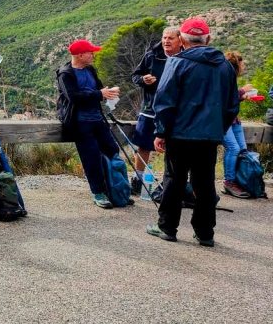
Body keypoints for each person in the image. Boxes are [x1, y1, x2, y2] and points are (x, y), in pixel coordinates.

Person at [147, 17, 239, 247]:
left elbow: (164, 101)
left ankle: (167, 227)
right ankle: (205, 233)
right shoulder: (225, 66)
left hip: (179, 135)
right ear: (208, 39)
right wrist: (219, 128)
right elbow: (231, 105)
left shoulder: (177, 63)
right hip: (208, 136)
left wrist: (161, 132)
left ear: (183, 40)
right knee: (205, 183)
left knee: (174, 181)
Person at [56, 39, 123, 209]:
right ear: (79, 55)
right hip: (79, 122)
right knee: (91, 156)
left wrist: (109, 92)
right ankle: (98, 192)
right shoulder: (66, 74)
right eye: (90, 52)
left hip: (97, 119)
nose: (93, 55)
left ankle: (115, 190)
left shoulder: (90, 69)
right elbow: (73, 97)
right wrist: (99, 94)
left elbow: (98, 89)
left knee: (112, 150)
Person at [129, 26, 182, 192]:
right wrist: (143, 80)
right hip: (150, 110)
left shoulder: (185, 58)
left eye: (170, 38)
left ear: (180, 40)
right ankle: (137, 180)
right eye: (164, 37)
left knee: (173, 150)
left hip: (175, 112)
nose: (166, 41)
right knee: (143, 147)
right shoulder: (152, 56)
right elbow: (135, 76)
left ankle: (169, 184)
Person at [220, 51, 256, 199]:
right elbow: (222, 97)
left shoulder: (231, 76)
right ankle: (229, 182)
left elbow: (231, 98)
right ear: (237, 63)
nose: (244, 66)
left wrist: (242, 96)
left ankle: (241, 180)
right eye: (242, 63)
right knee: (233, 148)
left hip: (234, 119)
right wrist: (242, 91)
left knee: (242, 149)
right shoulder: (223, 75)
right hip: (223, 119)